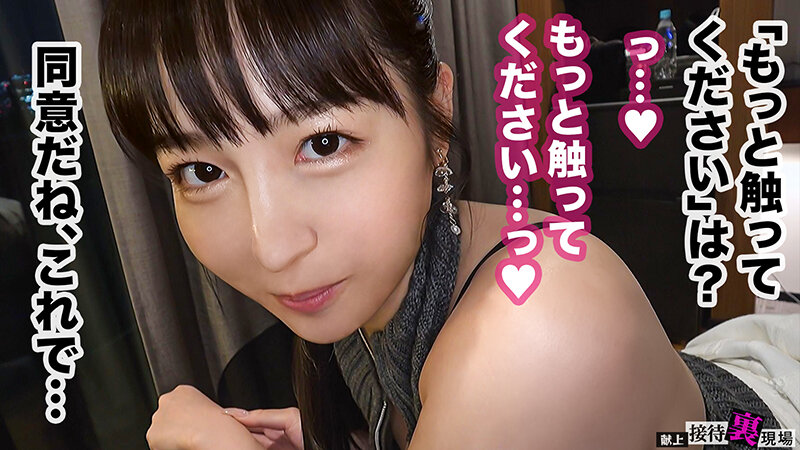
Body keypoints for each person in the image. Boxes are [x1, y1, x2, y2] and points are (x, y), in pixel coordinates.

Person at [98, 1, 746, 449]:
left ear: (436, 112)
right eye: (202, 171)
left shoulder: (534, 330)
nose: (272, 248)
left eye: (323, 144)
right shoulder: (385, 268)